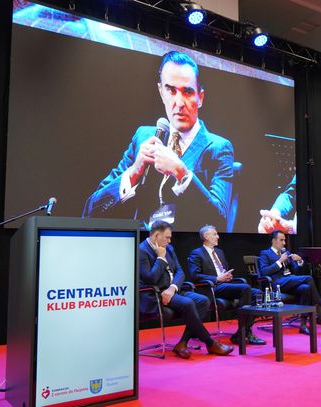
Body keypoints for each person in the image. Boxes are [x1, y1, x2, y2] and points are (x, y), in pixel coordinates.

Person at [83, 51, 234, 231]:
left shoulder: (219, 148)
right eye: (171, 90)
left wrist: (182, 173)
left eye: (187, 92)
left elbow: (220, 222)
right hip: (139, 246)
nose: (179, 103)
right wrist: (133, 173)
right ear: (161, 92)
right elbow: (91, 211)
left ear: (200, 98)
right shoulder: (143, 137)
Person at [139, 220, 233, 358]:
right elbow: (150, 279)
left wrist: (173, 287)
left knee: (203, 301)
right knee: (188, 303)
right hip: (156, 294)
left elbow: (180, 272)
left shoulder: (169, 248)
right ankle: (210, 343)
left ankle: (182, 342)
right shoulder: (142, 250)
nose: (169, 241)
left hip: (173, 290)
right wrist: (160, 258)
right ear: (156, 235)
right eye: (167, 237)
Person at [187, 225, 266, 345]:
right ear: (206, 236)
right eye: (215, 234)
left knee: (258, 293)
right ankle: (244, 332)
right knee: (245, 288)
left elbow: (224, 270)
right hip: (211, 287)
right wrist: (217, 278)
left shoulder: (219, 252)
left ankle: (242, 331)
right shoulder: (197, 253)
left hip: (225, 285)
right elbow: (195, 275)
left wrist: (228, 276)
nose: (218, 236)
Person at [259, 230, 321, 334]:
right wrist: (279, 261)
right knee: (308, 278)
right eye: (281, 240)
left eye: (284, 240)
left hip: (289, 281)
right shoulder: (265, 253)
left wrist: (299, 261)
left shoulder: (286, 253)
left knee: (305, 288)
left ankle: (303, 324)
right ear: (274, 241)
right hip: (276, 283)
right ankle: (320, 312)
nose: (284, 243)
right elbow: (264, 271)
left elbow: (295, 270)